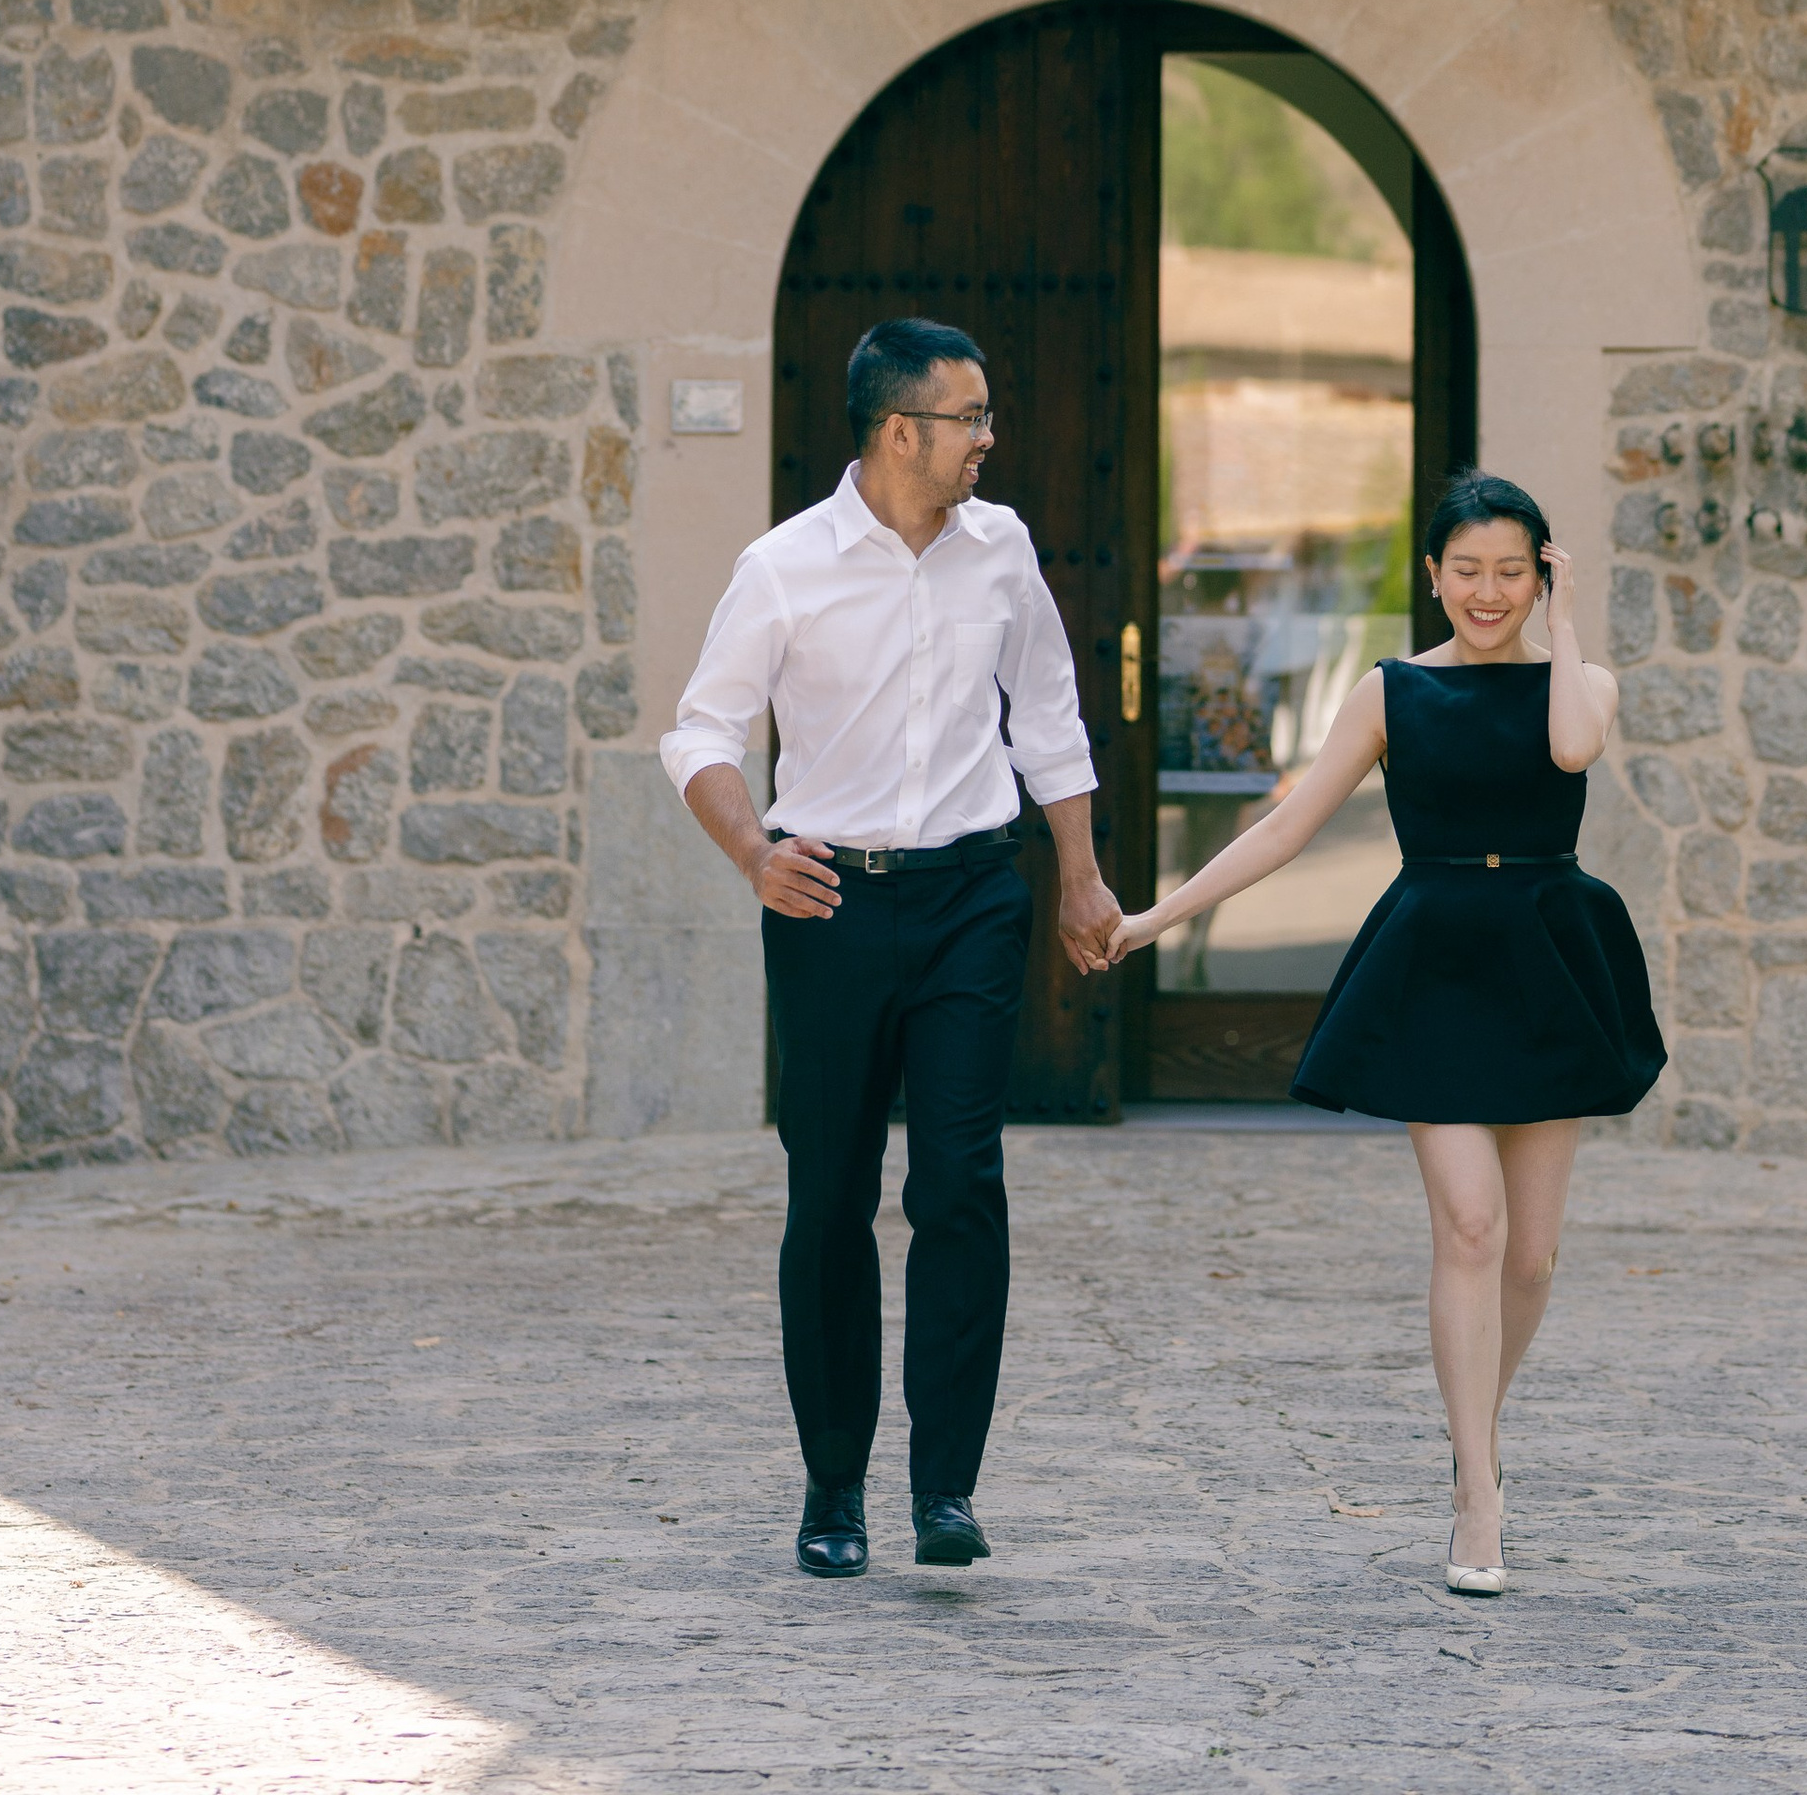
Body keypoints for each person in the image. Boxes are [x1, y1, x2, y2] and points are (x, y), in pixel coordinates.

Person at [1110, 466, 1663, 1598]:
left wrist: (1563, 625)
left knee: (1530, 1252)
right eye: (1467, 571)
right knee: (1469, 1225)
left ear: (1541, 573)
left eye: (1512, 570)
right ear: (1432, 576)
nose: (1487, 591)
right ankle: (1477, 1491)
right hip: (1439, 961)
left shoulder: (1585, 680)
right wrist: (1153, 917)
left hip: (1550, 958)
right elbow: (1284, 831)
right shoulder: (1391, 692)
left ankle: (1479, 1434)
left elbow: (1566, 750)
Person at [662, 316, 1122, 1580]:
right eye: (971, 417)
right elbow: (699, 734)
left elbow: (1048, 715)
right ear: (899, 431)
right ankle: (831, 1490)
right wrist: (756, 855)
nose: (990, 438)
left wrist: (1078, 877)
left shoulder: (1002, 547)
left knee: (961, 1185)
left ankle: (947, 1493)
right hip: (830, 910)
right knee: (830, 1197)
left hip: (974, 894)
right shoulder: (783, 566)